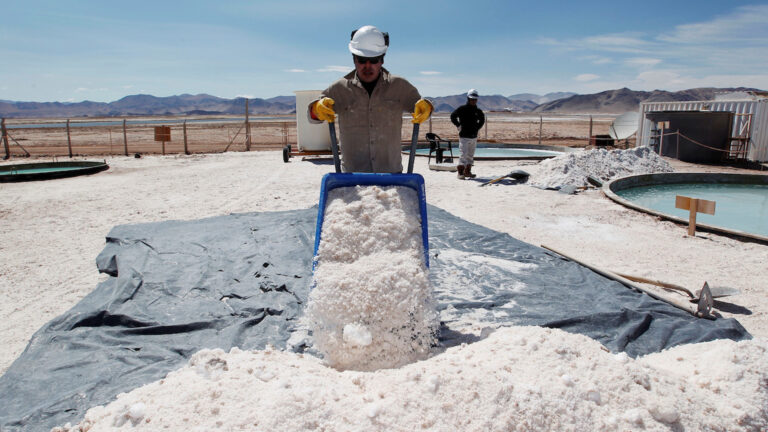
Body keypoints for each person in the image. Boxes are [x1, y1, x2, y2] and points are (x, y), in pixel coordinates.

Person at [307, 25, 433, 173]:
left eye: (373, 60)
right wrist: (316, 108)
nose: (368, 66)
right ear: (354, 59)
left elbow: (422, 108)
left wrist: (427, 108)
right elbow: (312, 117)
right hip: (352, 177)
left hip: (391, 176)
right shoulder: (339, 88)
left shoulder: (400, 86)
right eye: (362, 60)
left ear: (382, 60)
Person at [450, 89, 485, 179]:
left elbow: (482, 120)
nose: (473, 101)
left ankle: (467, 171)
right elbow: (453, 116)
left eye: (475, 99)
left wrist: (477, 128)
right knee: (463, 155)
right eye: (472, 99)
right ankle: (460, 173)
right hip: (464, 136)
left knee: (470, 155)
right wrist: (458, 125)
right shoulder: (462, 109)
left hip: (473, 136)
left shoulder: (478, 111)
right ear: (468, 99)